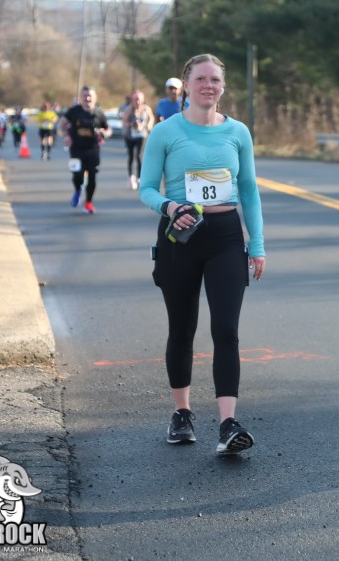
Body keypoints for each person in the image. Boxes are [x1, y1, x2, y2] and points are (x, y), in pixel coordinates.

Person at [139, 53, 266, 456]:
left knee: (226, 329)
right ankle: (182, 414)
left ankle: (229, 424)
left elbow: (249, 190)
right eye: (200, 79)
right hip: (180, 234)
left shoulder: (238, 132)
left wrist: (257, 244)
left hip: (225, 235)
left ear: (222, 87)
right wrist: (169, 206)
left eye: (215, 80)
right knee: (182, 328)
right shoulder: (165, 132)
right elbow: (146, 187)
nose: (208, 86)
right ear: (187, 85)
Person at [57, 86, 111, 214]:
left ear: (95, 98)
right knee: (77, 175)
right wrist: (65, 136)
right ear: (81, 97)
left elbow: (108, 129)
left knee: (92, 176)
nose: (87, 98)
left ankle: (88, 203)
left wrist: (104, 133)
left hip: (93, 149)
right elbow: (60, 125)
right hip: (76, 148)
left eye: (90, 96)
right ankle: (78, 190)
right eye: (85, 96)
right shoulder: (74, 111)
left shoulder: (99, 113)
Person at [122, 91, 155, 190]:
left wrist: (149, 125)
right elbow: (124, 122)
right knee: (131, 156)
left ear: (143, 100)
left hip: (141, 135)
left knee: (139, 156)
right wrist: (131, 125)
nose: (138, 102)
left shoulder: (146, 108)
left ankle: (139, 178)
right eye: (136, 100)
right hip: (130, 136)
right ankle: (131, 177)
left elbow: (151, 118)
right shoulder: (129, 109)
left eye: (140, 100)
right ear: (133, 100)